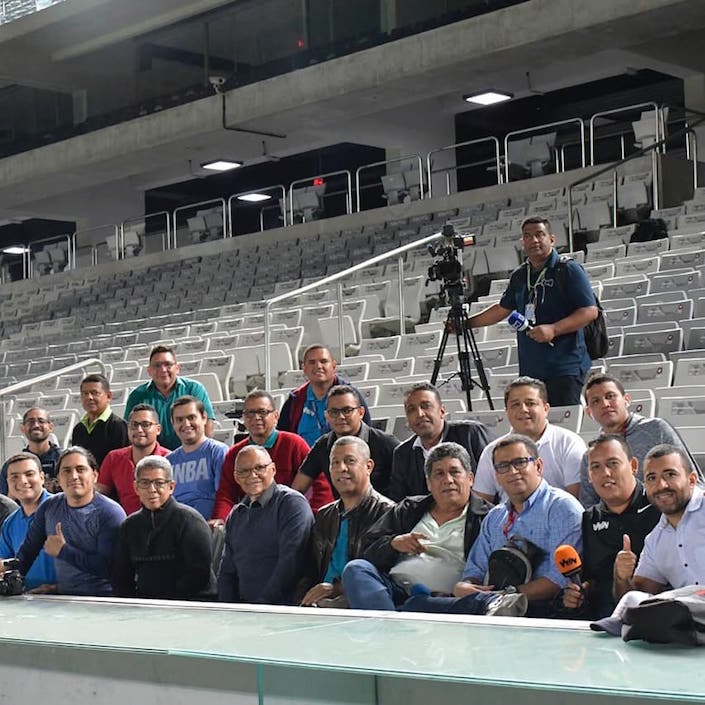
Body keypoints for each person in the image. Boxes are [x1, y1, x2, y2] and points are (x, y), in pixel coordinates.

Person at [342, 442, 492, 611]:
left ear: (470, 478)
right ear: (429, 483)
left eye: (454, 472)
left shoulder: (487, 517)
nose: (448, 480)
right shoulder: (409, 509)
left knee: (419, 604)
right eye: (439, 474)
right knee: (356, 568)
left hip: (443, 599)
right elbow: (367, 550)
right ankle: (390, 621)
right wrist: (394, 544)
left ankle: (387, 624)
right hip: (392, 590)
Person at [467, 217, 598, 406]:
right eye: (528, 236)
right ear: (522, 242)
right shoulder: (520, 275)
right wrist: (466, 324)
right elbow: (502, 309)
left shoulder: (568, 269)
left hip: (565, 367)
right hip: (531, 369)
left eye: (539, 235)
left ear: (552, 239)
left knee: (562, 425)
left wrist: (554, 329)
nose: (534, 240)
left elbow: (589, 311)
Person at [452, 434, 584, 617]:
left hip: (541, 610)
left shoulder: (561, 508)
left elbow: (558, 581)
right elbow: (475, 570)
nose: (513, 471)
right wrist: (464, 586)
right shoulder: (494, 517)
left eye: (520, 462)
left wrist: (504, 596)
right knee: (421, 603)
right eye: (503, 466)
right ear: (497, 476)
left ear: (538, 466)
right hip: (490, 607)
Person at [561, 436, 659, 620]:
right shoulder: (588, 519)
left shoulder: (660, 506)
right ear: (589, 476)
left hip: (657, 614)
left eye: (613, 463)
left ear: (633, 466)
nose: (605, 473)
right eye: (596, 467)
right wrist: (578, 594)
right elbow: (591, 579)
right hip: (602, 620)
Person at [7, 447, 126, 596]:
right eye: (67, 471)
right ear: (58, 478)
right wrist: (9, 573)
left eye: (80, 469)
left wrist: (64, 551)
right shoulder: (49, 507)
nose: (74, 476)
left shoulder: (110, 513)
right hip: (65, 599)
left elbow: (111, 568)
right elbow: (27, 553)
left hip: (104, 600)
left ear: (95, 475)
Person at [299, 436, 394, 607]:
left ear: (369, 466)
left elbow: (385, 576)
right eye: (334, 463)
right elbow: (309, 570)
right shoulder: (324, 515)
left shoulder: (388, 513)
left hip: (355, 603)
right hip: (316, 605)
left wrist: (336, 588)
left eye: (349, 461)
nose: (341, 468)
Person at [579, 373, 702, 506]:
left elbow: (693, 481)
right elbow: (588, 505)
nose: (605, 404)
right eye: (596, 401)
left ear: (626, 400)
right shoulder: (591, 455)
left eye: (610, 396)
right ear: (589, 412)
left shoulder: (656, 429)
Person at [212, 390, 332, 523]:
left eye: (262, 412)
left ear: (276, 416)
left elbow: (320, 485)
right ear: (244, 419)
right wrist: (221, 519)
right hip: (251, 522)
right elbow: (226, 495)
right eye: (250, 413)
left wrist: (313, 517)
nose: (256, 418)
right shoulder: (235, 453)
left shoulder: (294, 444)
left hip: (291, 519)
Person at [217, 445, 314, 605]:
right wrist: (228, 611)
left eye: (259, 468)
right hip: (243, 613)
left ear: (273, 469)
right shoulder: (236, 514)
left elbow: (290, 565)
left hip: (282, 610)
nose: (252, 475)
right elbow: (227, 572)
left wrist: (261, 607)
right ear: (236, 477)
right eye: (244, 471)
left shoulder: (291, 504)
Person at [112, 455, 216, 600]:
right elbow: (122, 578)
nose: (152, 489)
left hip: (191, 604)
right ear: (136, 488)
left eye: (159, 483)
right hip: (145, 608)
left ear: (171, 487)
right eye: (145, 483)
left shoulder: (191, 521)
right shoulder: (129, 526)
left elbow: (198, 575)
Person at [614, 444, 705, 599]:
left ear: (691, 480)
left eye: (670, 474)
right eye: (652, 478)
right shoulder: (654, 541)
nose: (661, 485)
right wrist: (621, 578)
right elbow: (636, 600)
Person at [473, 377, 586, 501]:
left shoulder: (568, 443)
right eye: (515, 404)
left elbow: (577, 501)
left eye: (530, 403)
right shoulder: (492, 451)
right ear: (507, 412)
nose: (523, 409)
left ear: (546, 408)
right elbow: (481, 504)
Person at [388, 382, 494, 501]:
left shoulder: (471, 434)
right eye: (411, 410)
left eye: (426, 406)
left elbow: (496, 481)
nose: (419, 414)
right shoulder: (402, 454)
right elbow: (399, 502)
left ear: (442, 411)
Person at [293, 385, 399, 499]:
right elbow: (298, 488)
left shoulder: (386, 444)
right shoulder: (323, 446)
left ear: (361, 412)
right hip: (342, 513)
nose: (341, 417)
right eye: (334, 412)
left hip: (385, 512)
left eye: (347, 410)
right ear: (327, 416)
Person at [124, 345, 216, 450]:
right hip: (153, 458)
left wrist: (205, 452)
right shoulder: (137, 395)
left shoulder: (194, 389)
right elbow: (130, 430)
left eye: (168, 364)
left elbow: (207, 424)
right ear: (149, 371)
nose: (163, 370)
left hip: (192, 453)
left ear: (177, 368)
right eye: (157, 366)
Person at [278, 344, 371, 447]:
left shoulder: (351, 396)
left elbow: (366, 432)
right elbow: (284, 440)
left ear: (334, 366)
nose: (318, 366)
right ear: (304, 368)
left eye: (324, 361)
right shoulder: (295, 399)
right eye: (312, 362)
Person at [97, 404, 170, 514]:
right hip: (125, 524)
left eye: (145, 424)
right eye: (134, 425)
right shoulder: (113, 458)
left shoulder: (171, 459)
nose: (139, 430)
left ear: (158, 429)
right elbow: (100, 495)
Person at [0, 453, 56, 591]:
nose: (22, 481)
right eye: (14, 477)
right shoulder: (10, 523)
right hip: (26, 603)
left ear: (42, 477)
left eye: (29, 474)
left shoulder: (63, 509)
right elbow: (4, 563)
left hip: (70, 600)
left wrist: (56, 588)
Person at [167, 396, 228, 521]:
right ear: (173, 424)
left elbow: (224, 495)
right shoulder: (168, 461)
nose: (186, 424)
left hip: (210, 527)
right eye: (179, 420)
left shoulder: (218, 451)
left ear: (204, 418)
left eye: (191, 417)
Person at [70, 374, 129, 466]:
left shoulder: (118, 426)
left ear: (108, 396)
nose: (89, 397)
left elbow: (122, 463)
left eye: (95, 393)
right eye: (85, 393)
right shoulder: (78, 429)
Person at [0, 407, 61, 495]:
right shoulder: (11, 465)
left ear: (50, 427)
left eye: (41, 421)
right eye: (31, 421)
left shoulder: (64, 460)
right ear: (22, 428)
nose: (36, 425)